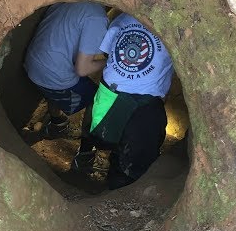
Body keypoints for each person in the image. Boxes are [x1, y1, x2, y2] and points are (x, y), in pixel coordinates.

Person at [75, 12, 174, 189]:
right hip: (144, 104)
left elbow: (109, 54)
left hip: (110, 94)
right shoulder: (172, 23)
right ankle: (119, 186)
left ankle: (85, 155)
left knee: (101, 133)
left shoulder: (123, 18)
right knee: (134, 164)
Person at [24, 2, 109, 139]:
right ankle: (85, 149)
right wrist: (111, 62)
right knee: (97, 98)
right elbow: (83, 69)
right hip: (51, 75)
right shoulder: (97, 17)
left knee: (62, 67)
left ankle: (57, 123)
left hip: (32, 64)